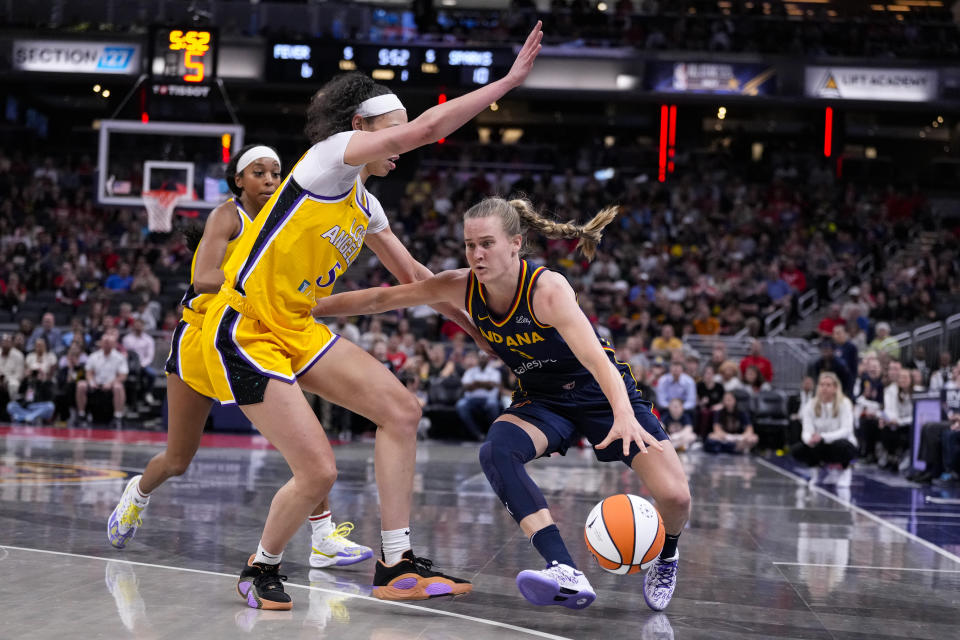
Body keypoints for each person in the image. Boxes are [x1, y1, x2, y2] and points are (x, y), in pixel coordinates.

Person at [199, 25, 544, 610]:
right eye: (394, 135)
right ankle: (261, 567)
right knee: (318, 471)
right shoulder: (327, 159)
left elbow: (420, 283)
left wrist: (494, 340)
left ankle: (395, 562)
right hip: (245, 326)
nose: (403, 146)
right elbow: (430, 127)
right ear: (359, 130)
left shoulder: (366, 202)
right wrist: (507, 83)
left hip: (297, 327)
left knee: (402, 411)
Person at [311, 195, 691, 613]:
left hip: (600, 393)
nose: (476, 254)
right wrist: (308, 308)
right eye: (470, 245)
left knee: (675, 497)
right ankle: (564, 568)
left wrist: (622, 412)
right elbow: (379, 300)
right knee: (497, 450)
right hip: (542, 398)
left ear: (516, 243)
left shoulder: (548, 290)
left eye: (487, 243)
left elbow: (598, 361)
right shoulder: (461, 285)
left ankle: (667, 554)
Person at [106, 145, 372, 572]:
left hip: (253, 336)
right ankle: (137, 494)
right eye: (259, 173)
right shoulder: (227, 216)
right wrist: (254, 280)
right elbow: (202, 277)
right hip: (202, 336)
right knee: (178, 459)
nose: (270, 180)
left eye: (275, 173)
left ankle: (323, 536)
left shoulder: (286, 215)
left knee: (304, 440)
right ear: (238, 180)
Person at [790, 372, 857, 487]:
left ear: (835, 388)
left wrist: (823, 437)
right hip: (820, 443)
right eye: (822, 385)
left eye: (828, 385)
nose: (824, 388)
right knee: (798, 449)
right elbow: (806, 430)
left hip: (839, 442)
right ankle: (817, 471)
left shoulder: (844, 403)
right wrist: (809, 439)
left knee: (843, 445)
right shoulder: (811, 404)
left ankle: (845, 471)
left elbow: (846, 430)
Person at [77, 334, 127, 427]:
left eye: (109, 342)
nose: (106, 344)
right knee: (81, 385)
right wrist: (91, 382)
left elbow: (122, 376)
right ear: (101, 343)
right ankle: (81, 415)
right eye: (105, 342)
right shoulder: (93, 356)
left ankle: (118, 417)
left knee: (118, 387)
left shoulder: (120, 357)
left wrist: (111, 383)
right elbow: (89, 372)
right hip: (95, 384)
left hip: (111, 384)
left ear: (113, 344)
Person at [456, 350, 502, 440]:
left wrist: (476, 383)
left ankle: (493, 433)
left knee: (492, 405)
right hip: (471, 399)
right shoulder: (470, 371)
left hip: (488, 399)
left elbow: (492, 386)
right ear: (478, 359)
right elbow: (466, 387)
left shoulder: (494, 372)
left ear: (488, 359)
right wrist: (485, 384)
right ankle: (477, 434)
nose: (482, 360)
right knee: (461, 405)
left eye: (484, 358)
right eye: (481, 358)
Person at [880, 368, 913, 472]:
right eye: (900, 377)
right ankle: (890, 456)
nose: (902, 380)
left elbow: (915, 416)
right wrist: (891, 419)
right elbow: (889, 409)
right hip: (896, 423)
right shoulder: (893, 391)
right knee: (885, 426)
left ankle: (905, 456)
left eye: (905, 377)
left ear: (911, 379)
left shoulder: (917, 393)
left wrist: (899, 421)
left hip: (909, 424)